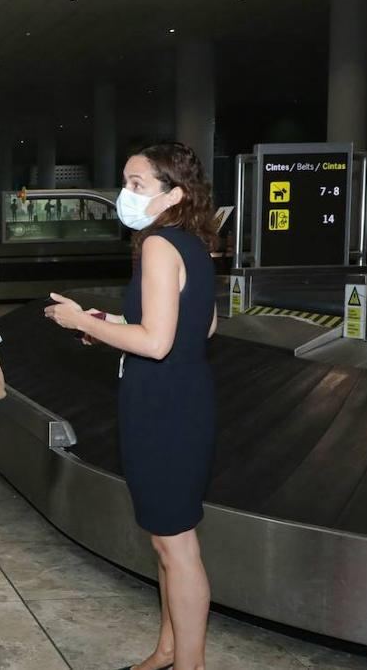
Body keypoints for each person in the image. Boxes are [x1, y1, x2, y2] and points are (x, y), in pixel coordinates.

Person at [44, 142, 218, 670]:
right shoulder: (193, 244)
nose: (125, 194)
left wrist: (82, 323)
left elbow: (158, 343)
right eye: (126, 181)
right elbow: (202, 327)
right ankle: (168, 650)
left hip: (162, 403)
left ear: (174, 194)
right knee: (167, 541)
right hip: (183, 395)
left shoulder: (160, 247)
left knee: (176, 546)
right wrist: (112, 325)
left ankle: (189, 665)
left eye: (138, 184)